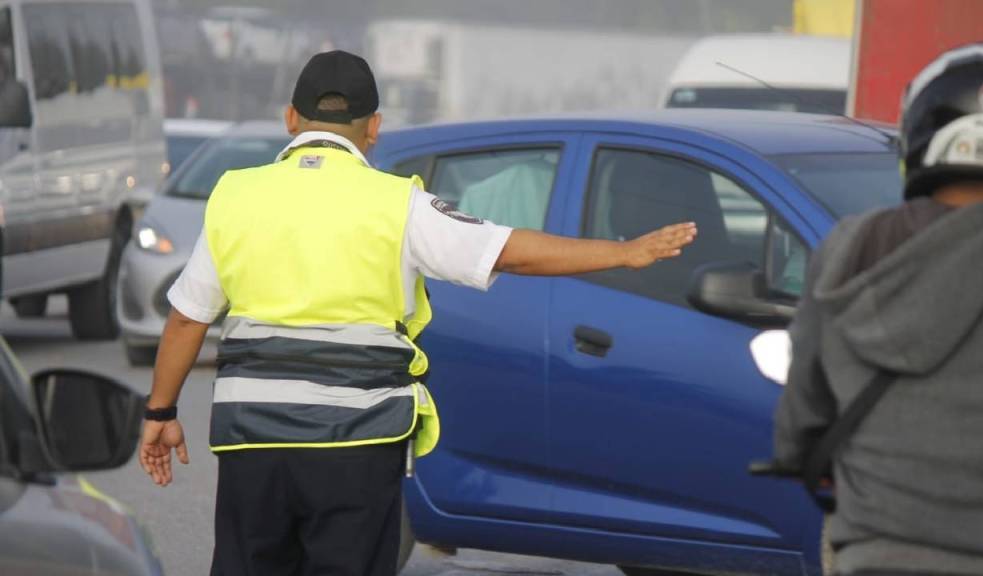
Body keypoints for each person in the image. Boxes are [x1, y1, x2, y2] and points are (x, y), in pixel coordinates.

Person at [138, 50, 698, 576]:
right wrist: (623, 253)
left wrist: (160, 413)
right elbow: (509, 251)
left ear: (290, 118)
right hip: (354, 444)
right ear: (373, 127)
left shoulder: (236, 195)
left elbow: (188, 318)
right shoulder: (397, 203)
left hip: (251, 440)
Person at [773, 42, 983, 576]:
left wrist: (798, 449)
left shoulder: (853, 247)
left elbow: (803, 412)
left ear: (917, 139)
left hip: (880, 549)